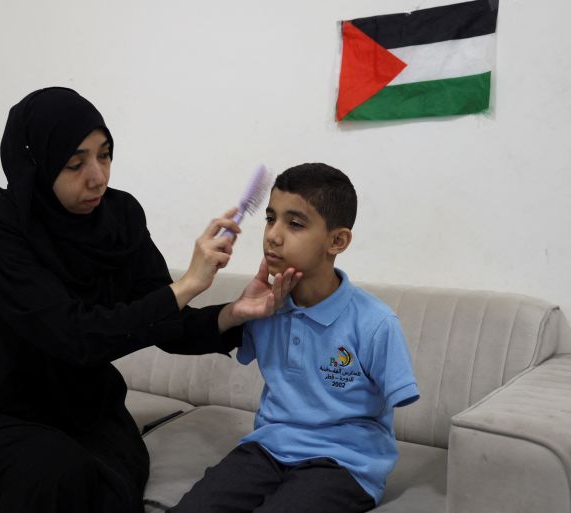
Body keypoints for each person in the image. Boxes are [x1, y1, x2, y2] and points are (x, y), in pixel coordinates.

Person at [0, 87, 299, 513]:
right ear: (37, 164)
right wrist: (186, 284)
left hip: (88, 417)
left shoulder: (122, 217)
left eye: (105, 154)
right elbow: (71, 335)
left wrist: (232, 313)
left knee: (94, 483)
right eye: (75, 163)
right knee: (51, 474)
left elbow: (165, 323)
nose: (97, 176)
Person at [168, 163, 420, 513]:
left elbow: (399, 395)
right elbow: (178, 332)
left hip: (344, 464)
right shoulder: (265, 309)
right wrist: (238, 309)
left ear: (337, 240)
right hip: (267, 448)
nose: (273, 235)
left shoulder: (376, 323)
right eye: (271, 219)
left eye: (295, 223)